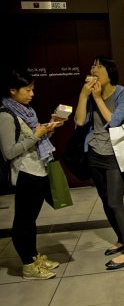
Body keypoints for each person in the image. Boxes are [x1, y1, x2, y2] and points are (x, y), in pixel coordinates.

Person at [0, 69, 66, 279]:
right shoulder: (6, 115)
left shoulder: (25, 111)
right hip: (24, 173)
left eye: (33, 89)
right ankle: (28, 265)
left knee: (31, 220)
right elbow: (9, 151)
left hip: (38, 169)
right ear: (12, 90)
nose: (31, 94)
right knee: (23, 222)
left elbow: (32, 135)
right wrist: (37, 136)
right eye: (27, 89)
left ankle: (34, 255)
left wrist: (49, 127)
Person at [74, 56, 124, 270]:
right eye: (92, 65)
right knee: (104, 199)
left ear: (110, 71)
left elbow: (114, 120)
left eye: (99, 66)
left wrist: (98, 98)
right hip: (94, 152)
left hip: (115, 155)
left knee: (115, 203)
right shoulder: (91, 95)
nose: (94, 69)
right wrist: (84, 96)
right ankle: (121, 239)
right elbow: (80, 121)